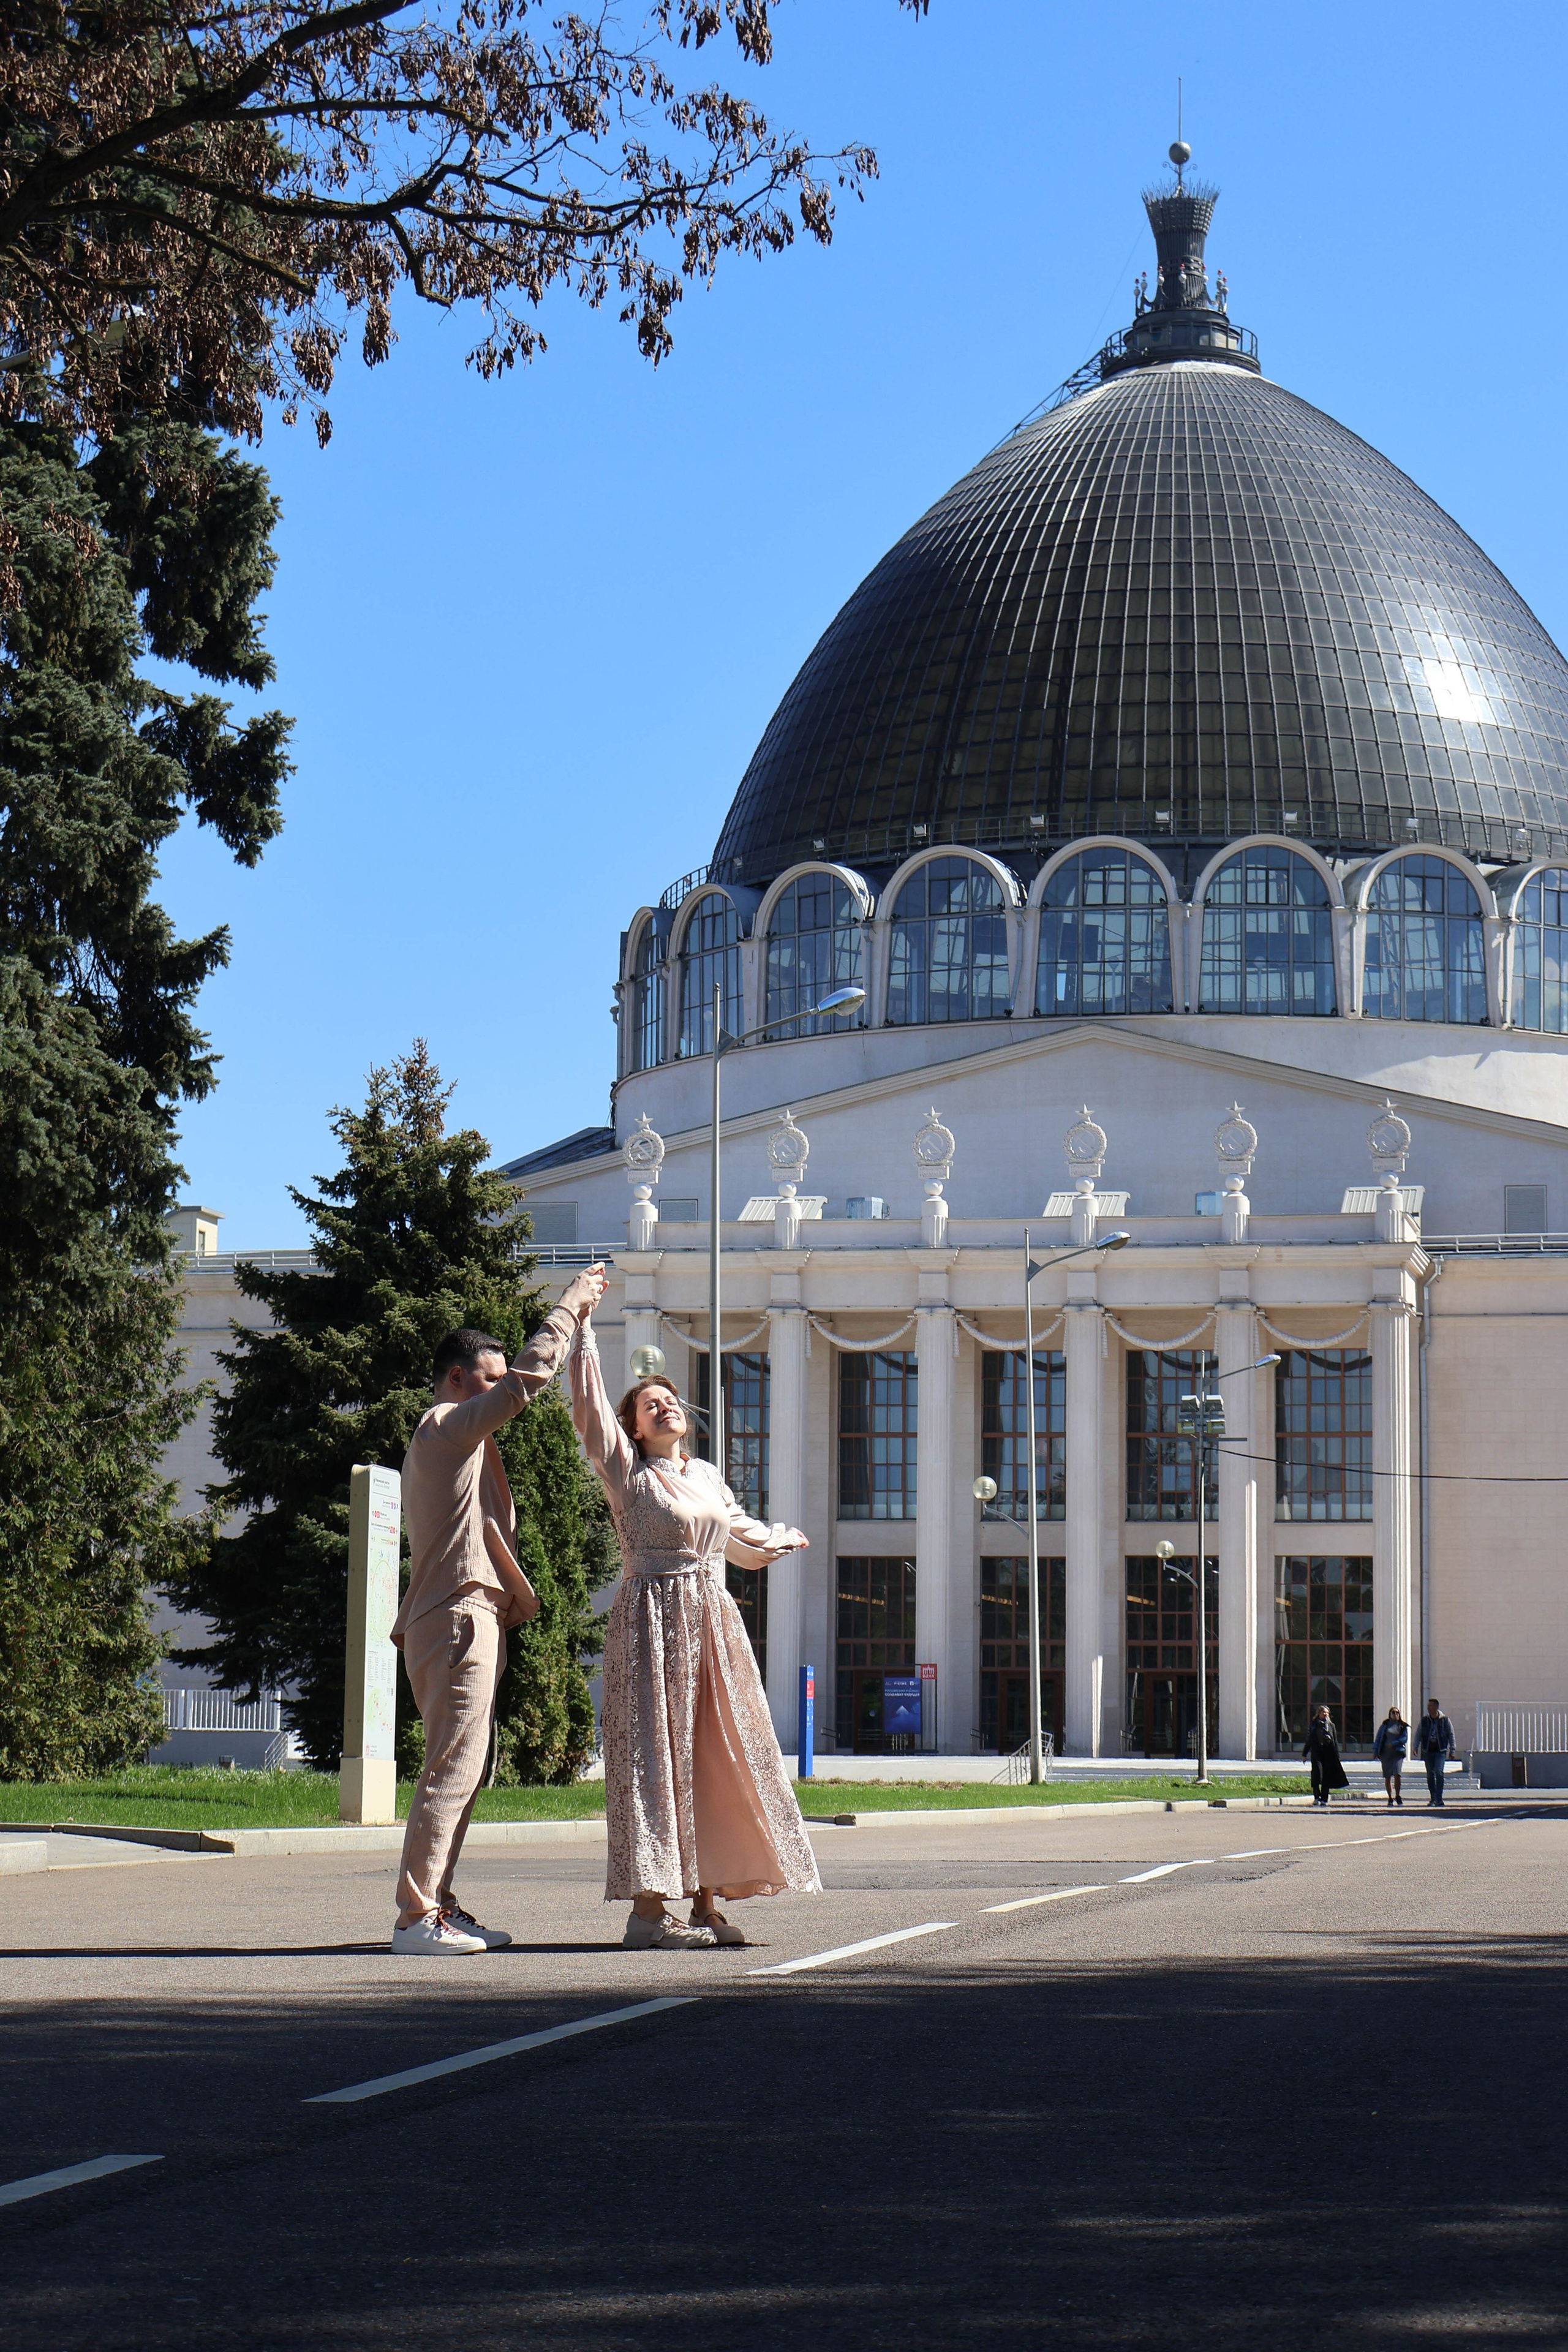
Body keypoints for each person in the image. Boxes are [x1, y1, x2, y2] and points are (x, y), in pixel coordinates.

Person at [568, 1298, 821, 1949]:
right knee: (655, 1758)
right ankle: (649, 1914)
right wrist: (583, 1332)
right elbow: (591, 1414)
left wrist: (779, 1539)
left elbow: (741, 1540)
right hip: (652, 1620)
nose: (663, 1407)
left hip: (712, 1619)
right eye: (648, 1405)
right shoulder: (627, 1472)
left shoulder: (705, 1474)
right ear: (633, 1426)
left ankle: (706, 1902)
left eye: (669, 1400)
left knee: (715, 1754)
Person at [390, 1268, 608, 1954]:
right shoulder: (445, 1428)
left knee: (463, 1769)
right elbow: (526, 1384)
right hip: (455, 1617)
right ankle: (416, 1919)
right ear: (456, 1380)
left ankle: (439, 1908)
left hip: (466, 1616)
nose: (501, 1391)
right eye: (488, 1379)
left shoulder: (459, 1443)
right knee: (451, 1770)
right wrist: (569, 1308)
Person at [1414, 1697, 1457, 1807]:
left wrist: (1452, 1750)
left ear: (1437, 1707)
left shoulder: (1445, 1720)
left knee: (1439, 1772)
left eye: (1431, 1706)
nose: (1429, 1708)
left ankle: (1439, 1799)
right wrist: (1415, 1746)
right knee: (1430, 1775)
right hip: (1428, 1751)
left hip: (1440, 1751)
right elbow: (1418, 1733)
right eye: (1428, 1706)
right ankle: (1433, 1798)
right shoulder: (1425, 1720)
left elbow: (1451, 1734)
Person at [1302, 1704, 1348, 1807]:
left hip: (1328, 1752)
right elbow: (1309, 1740)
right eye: (1324, 1712)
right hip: (1317, 1752)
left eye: (1327, 1713)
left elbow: (1335, 1741)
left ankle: (1324, 1799)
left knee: (1326, 1776)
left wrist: (1337, 1755)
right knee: (1317, 1773)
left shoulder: (1331, 1726)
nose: (1326, 1714)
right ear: (1319, 1713)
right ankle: (1316, 1797)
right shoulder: (1314, 1724)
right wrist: (1304, 1754)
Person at [1372, 1705, 1409, 1807]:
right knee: (1388, 1776)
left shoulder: (1402, 1726)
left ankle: (1398, 1795)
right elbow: (1379, 1738)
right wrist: (1375, 1751)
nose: (1395, 1714)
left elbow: (1404, 1739)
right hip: (1386, 1754)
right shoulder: (1385, 1725)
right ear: (1390, 1715)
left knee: (1397, 1774)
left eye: (1397, 1713)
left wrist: (1395, 1743)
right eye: (1394, 1713)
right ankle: (1390, 1798)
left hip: (1398, 1753)